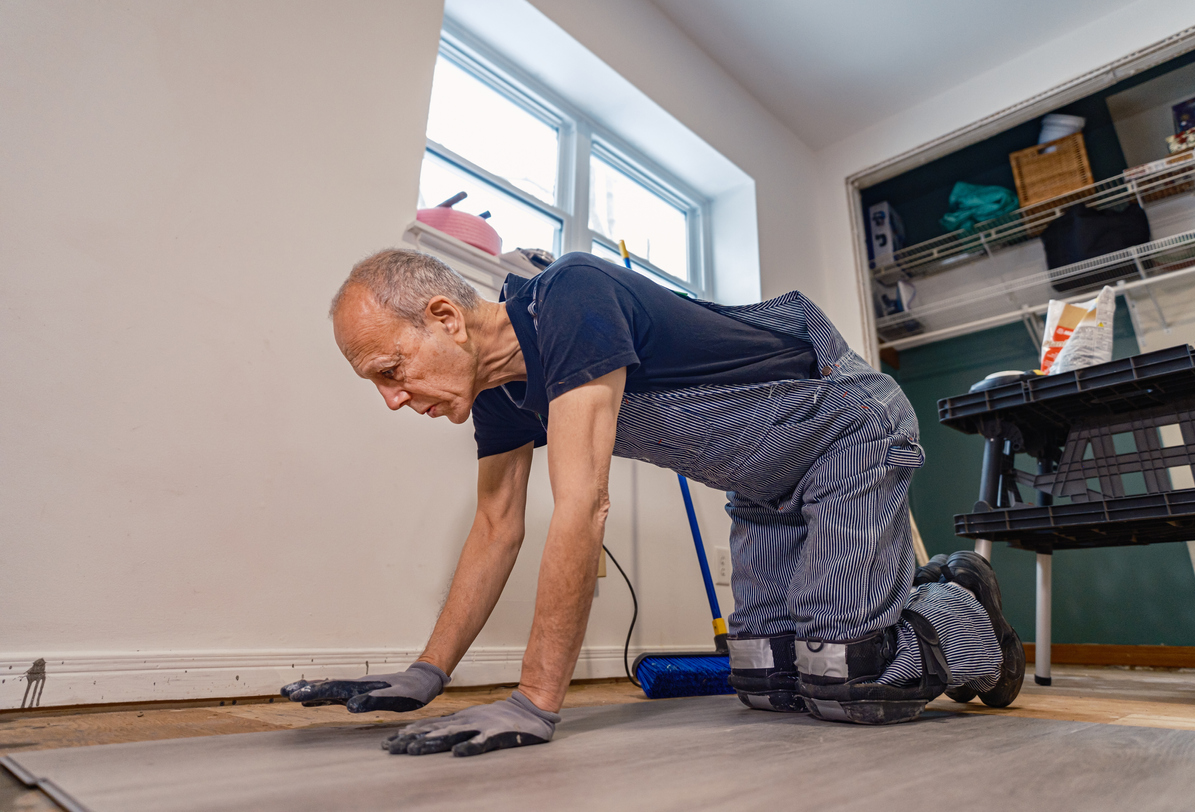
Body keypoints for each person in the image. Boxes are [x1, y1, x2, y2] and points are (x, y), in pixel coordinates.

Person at [280, 248, 1023, 757]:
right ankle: (899, 609)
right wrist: (427, 673)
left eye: (390, 370)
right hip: (765, 486)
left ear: (444, 317)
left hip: (846, 433)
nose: (392, 399)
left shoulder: (570, 297)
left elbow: (581, 509)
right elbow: (497, 528)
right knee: (765, 679)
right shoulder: (501, 395)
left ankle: (962, 608)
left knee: (849, 677)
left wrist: (534, 703)